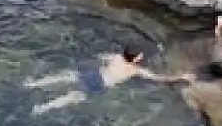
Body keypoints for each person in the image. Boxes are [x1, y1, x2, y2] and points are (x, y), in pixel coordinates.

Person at [23, 43, 194, 115]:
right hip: (100, 85)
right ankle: (41, 108)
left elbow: (102, 56)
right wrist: (182, 76)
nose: (142, 56)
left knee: (66, 77)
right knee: (72, 97)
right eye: (140, 55)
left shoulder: (117, 57)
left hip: (94, 74)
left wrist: (99, 59)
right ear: (135, 59)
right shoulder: (136, 70)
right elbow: (160, 78)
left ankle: (33, 84)